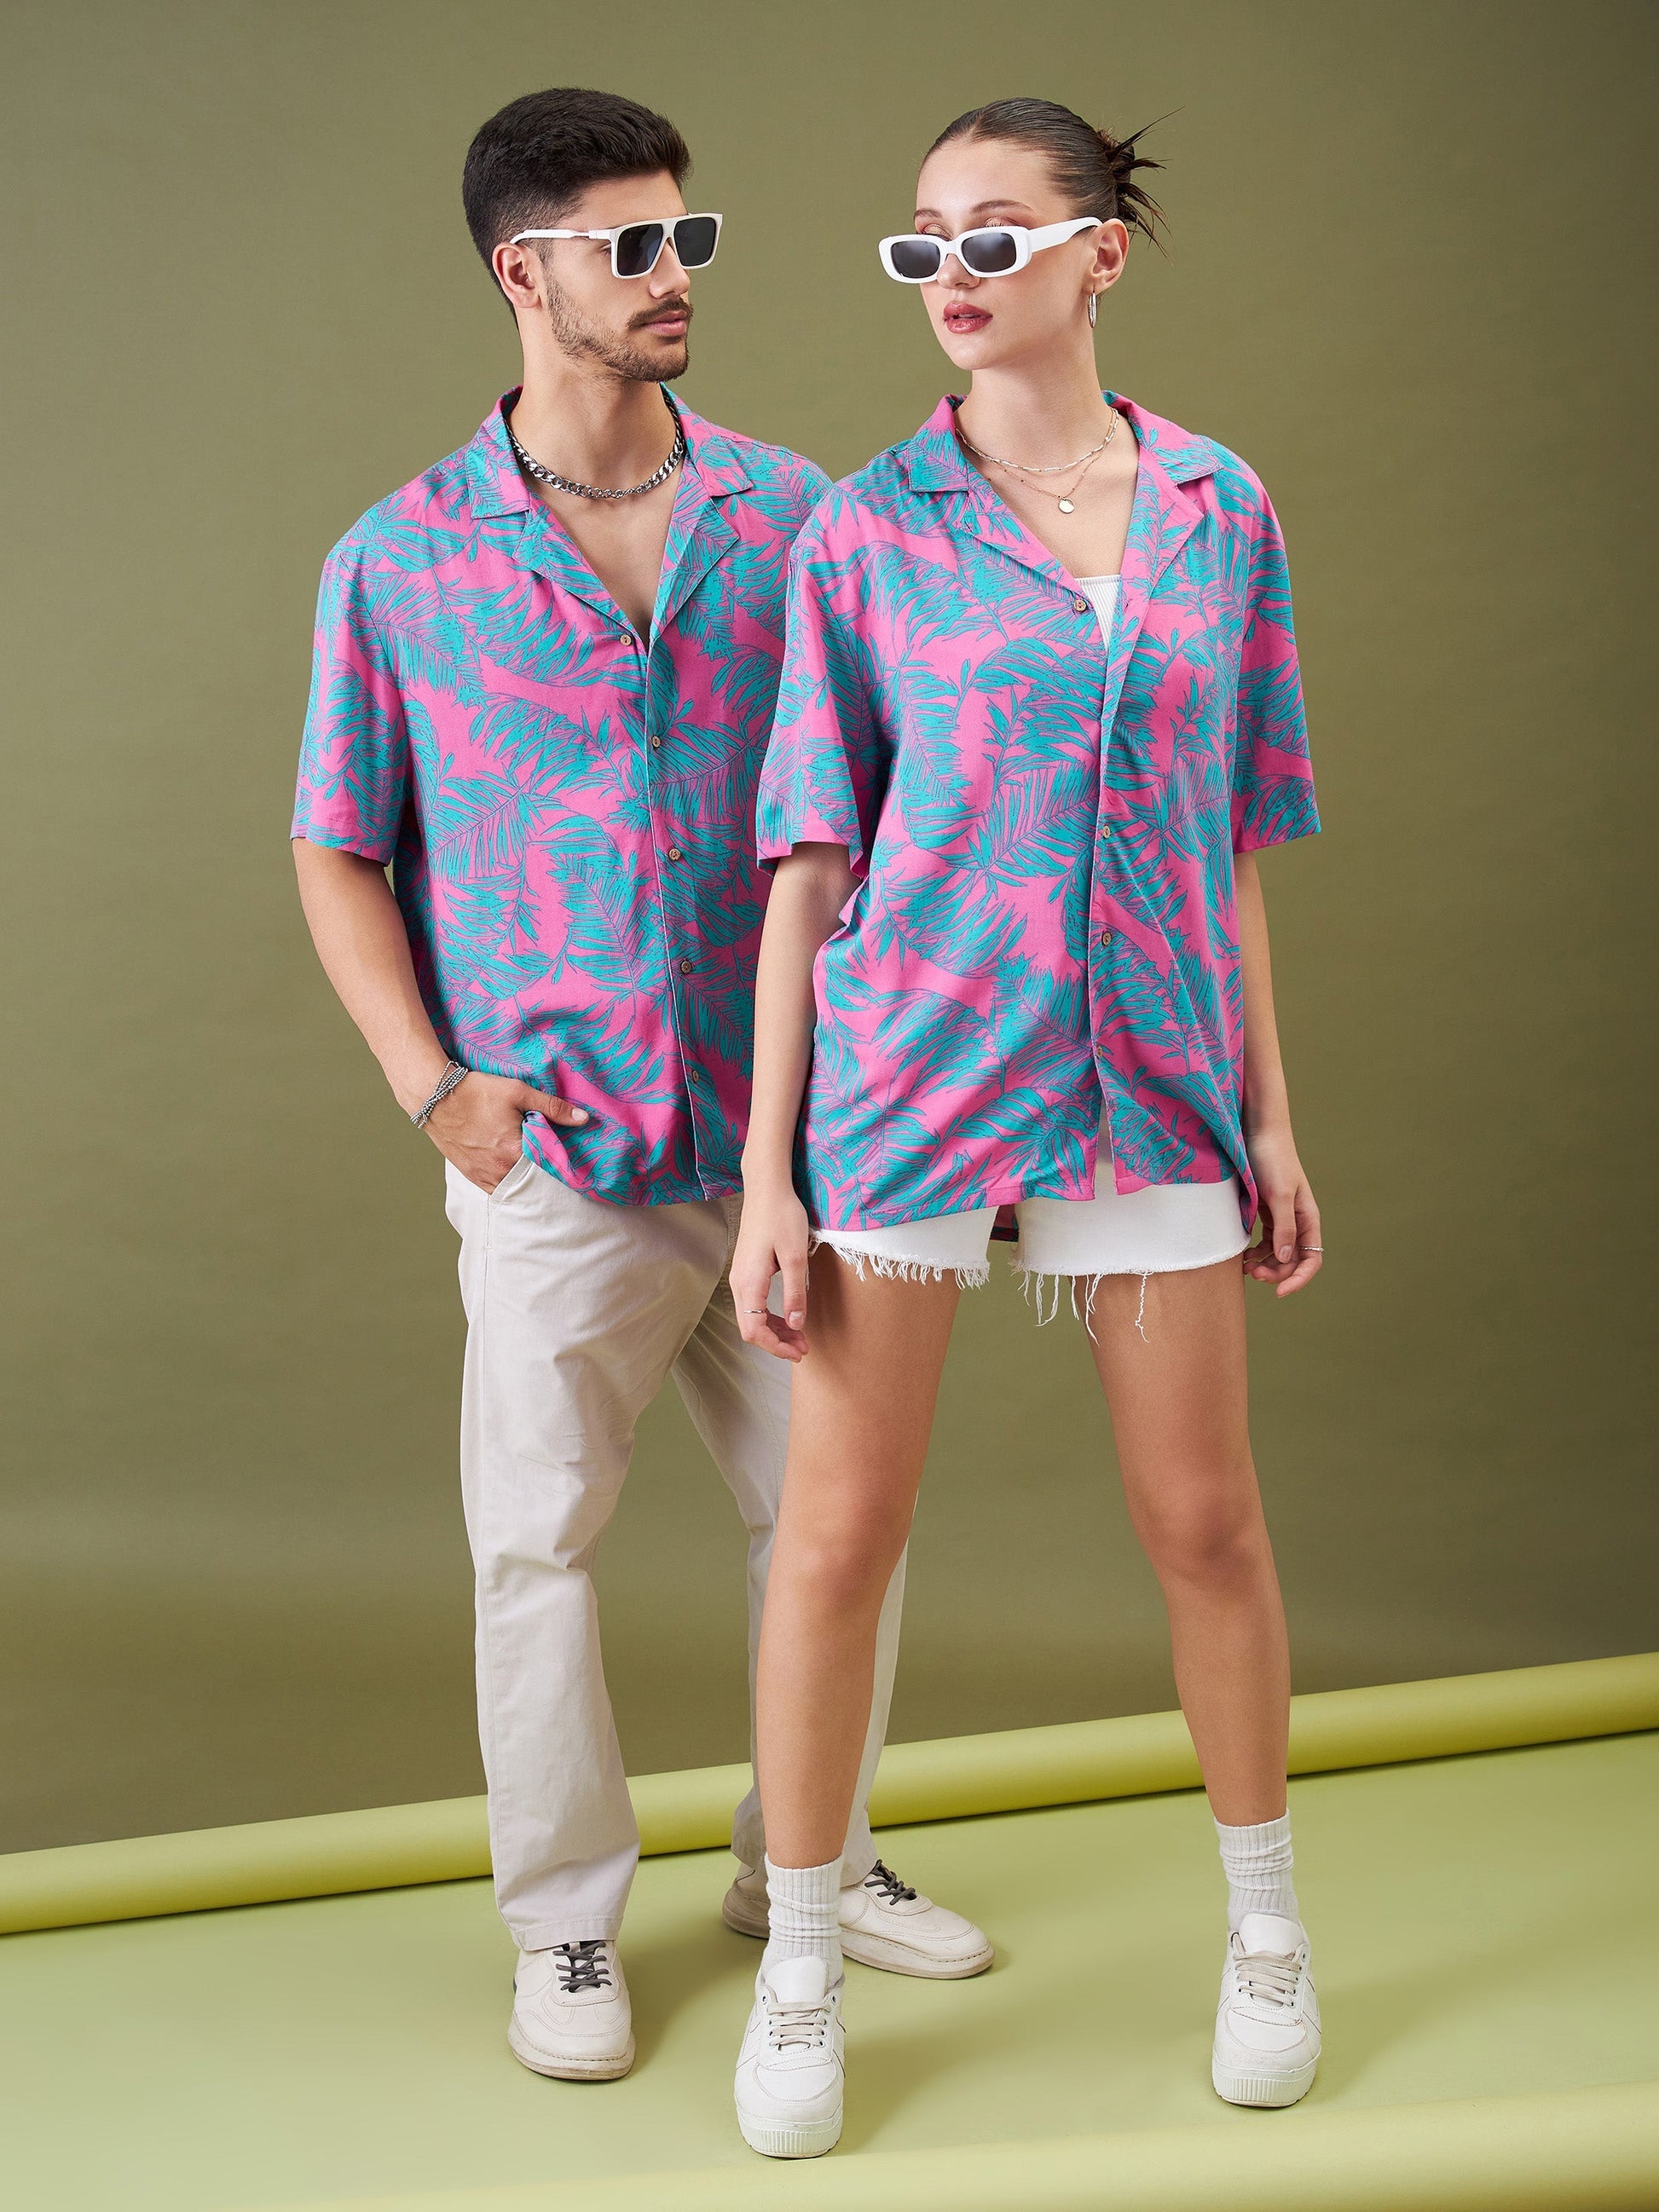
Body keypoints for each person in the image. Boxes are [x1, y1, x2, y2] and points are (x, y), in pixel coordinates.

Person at [291, 85, 989, 2088]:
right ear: (525, 272)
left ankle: (808, 1859)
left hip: (798, 1145)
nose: (674, 273)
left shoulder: (800, 517)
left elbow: (894, 799)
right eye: (631, 244)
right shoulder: (399, 562)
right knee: (536, 1547)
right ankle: (566, 1924)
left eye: (690, 235)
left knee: (838, 1524)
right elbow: (336, 845)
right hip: (561, 1152)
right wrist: (434, 1086)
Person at [729, 97, 1324, 2157]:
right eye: (922, 244)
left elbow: (1230, 841)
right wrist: (769, 1175)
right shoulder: (865, 530)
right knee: (836, 1537)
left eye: (994, 235)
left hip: (1154, 1081)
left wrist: (1271, 1120)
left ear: (1099, 254)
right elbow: (810, 859)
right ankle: (802, 1962)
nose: (953, 276)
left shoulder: (1222, 508)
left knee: (1205, 1524)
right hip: (909, 1080)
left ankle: (1266, 1931)